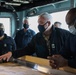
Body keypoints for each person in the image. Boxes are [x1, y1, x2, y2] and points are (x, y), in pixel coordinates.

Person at [0, 12, 73, 63]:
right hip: (44, 66)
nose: (38, 25)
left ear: (48, 23)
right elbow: (27, 49)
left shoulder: (64, 35)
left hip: (63, 68)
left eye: (41, 23)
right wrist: (12, 53)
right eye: (38, 23)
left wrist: (66, 62)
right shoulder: (37, 37)